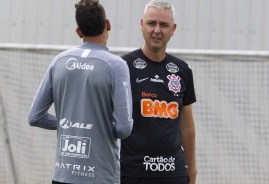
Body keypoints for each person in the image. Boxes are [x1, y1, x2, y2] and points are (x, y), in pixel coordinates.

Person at [28, 0, 133, 183]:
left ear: (79, 32)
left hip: (63, 175)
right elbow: (124, 129)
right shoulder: (116, 65)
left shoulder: (59, 61)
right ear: (108, 24)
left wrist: (72, 124)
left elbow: (35, 117)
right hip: (100, 175)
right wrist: (95, 127)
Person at [120, 0, 197, 184]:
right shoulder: (122, 67)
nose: (157, 30)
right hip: (131, 173)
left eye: (164, 25)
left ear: (173, 28)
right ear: (141, 25)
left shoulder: (182, 70)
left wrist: (192, 169)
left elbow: (187, 126)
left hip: (173, 173)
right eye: (151, 23)